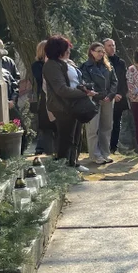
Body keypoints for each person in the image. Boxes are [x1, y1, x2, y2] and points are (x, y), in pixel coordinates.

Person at [41, 35, 96, 172]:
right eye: (66, 48)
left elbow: (74, 82)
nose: (69, 51)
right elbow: (61, 89)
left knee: (76, 136)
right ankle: (62, 168)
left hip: (74, 105)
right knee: (66, 138)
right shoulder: (51, 65)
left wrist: (84, 88)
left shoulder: (65, 63)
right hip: (62, 107)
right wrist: (84, 93)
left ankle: (73, 163)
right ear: (58, 50)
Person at [80, 42, 118, 165]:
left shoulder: (108, 65)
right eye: (98, 51)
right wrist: (98, 95)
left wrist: (110, 95)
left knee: (106, 127)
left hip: (108, 99)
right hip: (93, 100)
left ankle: (105, 153)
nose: (101, 54)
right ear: (91, 52)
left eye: (102, 51)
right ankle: (95, 155)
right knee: (93, 128)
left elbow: (114, 81)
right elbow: (86, 82)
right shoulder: (85, 66)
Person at [102, 38, 129, 155]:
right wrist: (110, 95)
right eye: (109, 46)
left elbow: (124, 80)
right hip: (105, 97)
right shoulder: (100, 62)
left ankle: (114, 147)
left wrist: (120, 94)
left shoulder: (120, 62)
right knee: (104, 123)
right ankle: (103, 146)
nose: (112, 48)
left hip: (119, 97)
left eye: (113, 45)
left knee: (116, 122)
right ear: (103, 48)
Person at [31, 40, 56, 155]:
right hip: (44, 97)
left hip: (56, 97)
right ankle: (46, 149)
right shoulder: (37, 65)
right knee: (46, 126)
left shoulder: (56, 63)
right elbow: (40, 80)